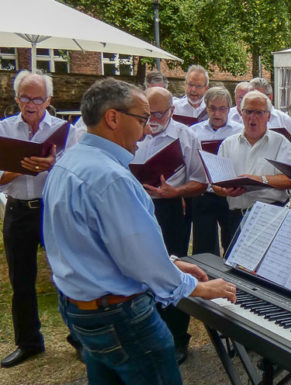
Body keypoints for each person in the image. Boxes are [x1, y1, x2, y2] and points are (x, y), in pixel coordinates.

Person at [40, 77, 236, 383]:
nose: (146, 131)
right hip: (119, 314)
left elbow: (99, 246)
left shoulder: (68, 162)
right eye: (142, 120)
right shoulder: (110, 177)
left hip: (80, 307)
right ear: (113, 118)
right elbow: (136, 257)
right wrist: (193, 288)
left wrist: (170, 262)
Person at [0, 70, 80, 368]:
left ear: (48, 100)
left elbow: (76, 173)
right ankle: (28, 342)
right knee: (21, 281)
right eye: (24, 97)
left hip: (53, 210)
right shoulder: (5, 130)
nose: (30, 104)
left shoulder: (64, 131)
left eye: (36, 98)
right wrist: (23, 168)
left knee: (66, 275)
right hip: (18, 211)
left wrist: (52, 165)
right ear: (16, 98)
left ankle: (79, 339)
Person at [135, 86, 208, 363]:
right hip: (137, 206)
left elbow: (201, 182)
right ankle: (148, 333)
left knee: (172, 269)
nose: (152, 119)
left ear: (172, 110)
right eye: (147, 113)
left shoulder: (185, 136)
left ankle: (177, 337)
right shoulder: (135, 131)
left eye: (158, 113)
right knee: (140, 269)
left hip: (170, 208)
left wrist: (176, 192)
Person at [213, 91, 291, 234]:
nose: (252, 117)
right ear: (241, 113)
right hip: (235, 216)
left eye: (259, 112)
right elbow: (216, 182)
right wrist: (224, 190)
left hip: (270, 215)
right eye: (248, 111)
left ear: (268, 116)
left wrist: (260, 179)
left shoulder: (280, 142)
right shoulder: (227, 144)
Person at [188, 86, 242, 256]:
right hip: (204, 193)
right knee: (204, 247)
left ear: (228, 108)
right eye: (212, 108)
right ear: (206, 107)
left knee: (232, 243)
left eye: (222, 108)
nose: (217, 113)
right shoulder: (194, 132)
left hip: (230, 194)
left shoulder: (240, 131)